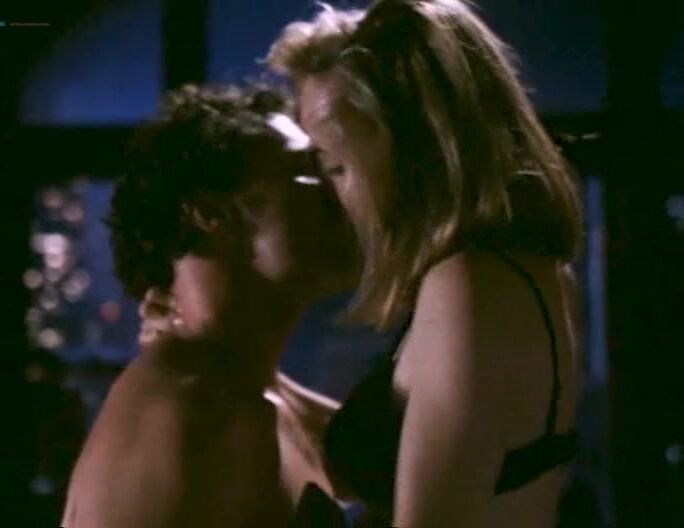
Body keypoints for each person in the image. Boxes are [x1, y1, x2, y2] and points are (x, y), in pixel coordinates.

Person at [268, 0, 583, 526]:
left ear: (415, 145)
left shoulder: (465, 289)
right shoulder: (532, 273)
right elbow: (427, 446)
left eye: (338, 167)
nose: (332, 197)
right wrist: (249, 374)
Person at [60, 83, 357, 528]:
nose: (335, 192)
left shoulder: (245, 385)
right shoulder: (182, 415)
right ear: (211, 213)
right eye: (305, 174)